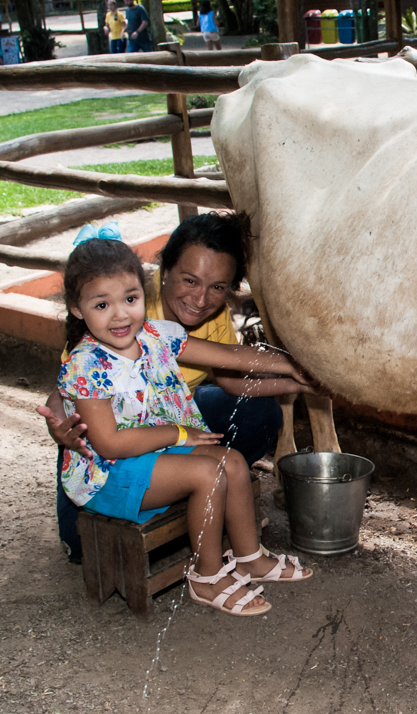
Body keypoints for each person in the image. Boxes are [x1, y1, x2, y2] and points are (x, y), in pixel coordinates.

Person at [57, 229, 312, 615]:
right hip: (108, 474)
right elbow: (108, 444)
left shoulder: (157, 335)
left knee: (232, 460)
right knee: (206, 475)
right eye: (101, 305)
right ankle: (206, 577)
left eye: (130, 298)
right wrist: (178, 433)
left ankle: (249, 557)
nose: (121, 314)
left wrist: (300, 367)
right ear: (78, 309)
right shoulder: (86, 364)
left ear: (144, 294)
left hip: (152, 452)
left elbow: (232, 357)